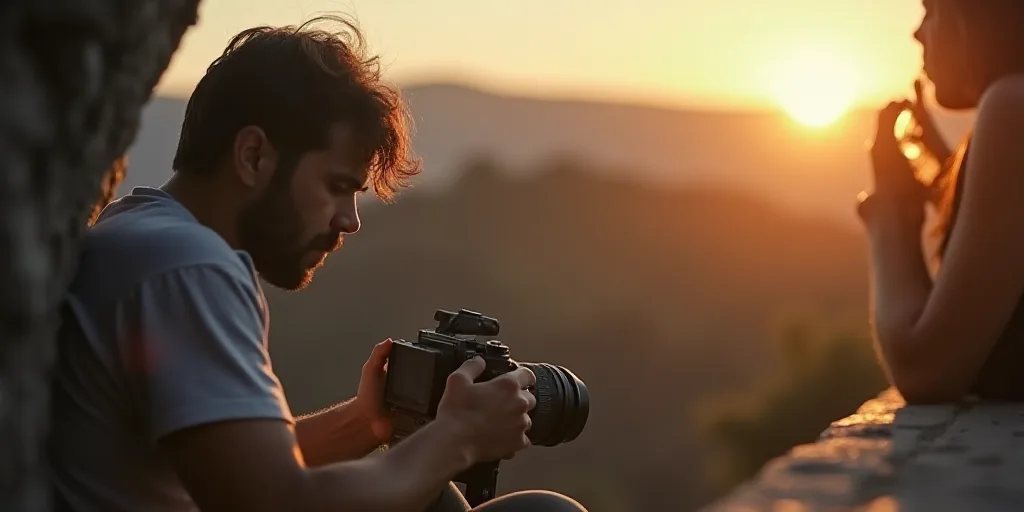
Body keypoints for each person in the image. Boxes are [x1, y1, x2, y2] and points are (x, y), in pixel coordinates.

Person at [48, 15, 588, 512]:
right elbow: (275, 499)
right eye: (337, 187)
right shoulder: (191, 269)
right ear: (254, 155)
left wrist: (366, 421)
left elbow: (239, 466)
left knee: (432, 494)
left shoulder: (132, 228)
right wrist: (459, 436)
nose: (349, 221)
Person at [860, 0, 1024, 404]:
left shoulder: (1012, 107)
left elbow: (924, 368)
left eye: (932, 9)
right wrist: (947, 178)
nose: (918, 32)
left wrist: (890, 214)